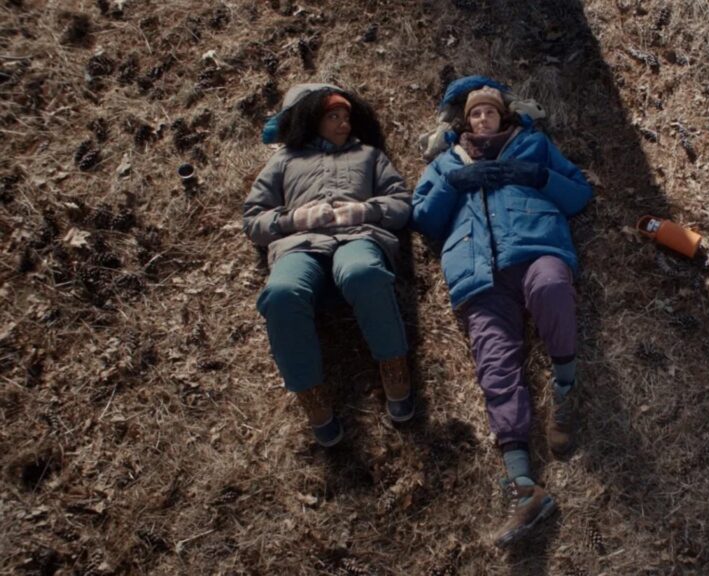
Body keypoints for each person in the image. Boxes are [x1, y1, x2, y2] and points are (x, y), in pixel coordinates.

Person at [412, 77, 592, 546]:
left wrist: (538, 176)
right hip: (479, 273)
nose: (483, 118)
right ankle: (524, 487)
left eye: (490, 110)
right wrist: (453, 183)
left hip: (535, 250)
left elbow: (579, 195)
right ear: (465, 122)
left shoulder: (534, 145)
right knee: (494, 361)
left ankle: (566, 390)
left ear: (503, 114)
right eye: (475, 113)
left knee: (552, 288)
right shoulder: (446, 162)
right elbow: (424, 219)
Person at [243, 83, 414, 447]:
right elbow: (253, 220)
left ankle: (394, 366)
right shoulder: (284, 161)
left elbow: (401, 204)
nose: (344, 124)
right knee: (281, 294)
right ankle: (312, 395)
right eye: (334, 116)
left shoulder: (369, 155)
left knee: (364, 273)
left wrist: (366, 210)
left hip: (357, 238)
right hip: (300, 246)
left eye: (346, 117)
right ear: (312, 120)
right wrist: (293, 218)